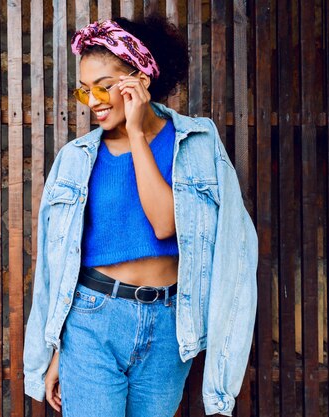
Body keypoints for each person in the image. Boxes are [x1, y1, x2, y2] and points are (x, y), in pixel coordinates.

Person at [23, 14, 258, 417]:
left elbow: (166, 224)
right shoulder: (75, 160)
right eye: (85, 91)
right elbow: (55, 269)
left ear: (141, 80)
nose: (94, 101)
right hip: (92, 319)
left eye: (104, 87)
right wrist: (59, 348)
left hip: (169, 327)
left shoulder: (198, 143)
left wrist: (136, 134)